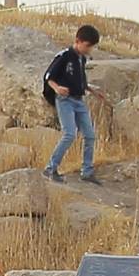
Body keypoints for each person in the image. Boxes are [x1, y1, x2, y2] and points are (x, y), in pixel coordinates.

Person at [41, 25, 103, 183]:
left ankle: (87, 171)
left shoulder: (82, 59)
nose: (89, 49)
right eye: (87, 46)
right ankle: (50, 168)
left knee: (90, 135)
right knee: (69, 134)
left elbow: (80, 81)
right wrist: (57, 88)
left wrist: (93, 90)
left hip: (79, 100)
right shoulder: (64, 56)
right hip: (65, 100)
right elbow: (48, 76)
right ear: (78, 41)